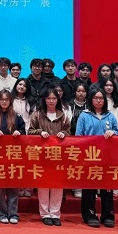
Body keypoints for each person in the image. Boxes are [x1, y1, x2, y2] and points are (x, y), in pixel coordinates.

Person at [76, 87, 118, 228]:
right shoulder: (84, 115)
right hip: (89, 156)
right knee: (89, 187)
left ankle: (108, 215)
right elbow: (78, 136)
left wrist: (113, 132)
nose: (99, 100)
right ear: (91, 99)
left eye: (101, 98)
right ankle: (89, 215)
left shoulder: (110, 116)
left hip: (107, 156)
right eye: (96, 98)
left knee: (107, 187)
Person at [29, 87, 70, 226]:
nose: (51, 101)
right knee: (43, 185)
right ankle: (45, 214)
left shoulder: (63, 115)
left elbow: (69, 132)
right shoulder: (37, 114)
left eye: (54, 98)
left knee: (57, 185)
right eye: (48, 98)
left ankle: (55, 213)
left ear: (58, 100)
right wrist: (40, 132)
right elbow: (30, 132)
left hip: (58, 155)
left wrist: (64, 133)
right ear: (44, 100)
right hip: (42, 155)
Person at [0, 90, 25, 224]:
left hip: (13, 155)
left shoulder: (17, 116)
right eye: (2, 100)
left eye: (6, 100)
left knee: (13, 185)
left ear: (10, 101)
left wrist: (18, 132)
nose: (4, 102)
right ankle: (0, 213)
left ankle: (12, 213)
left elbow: (24, 132)